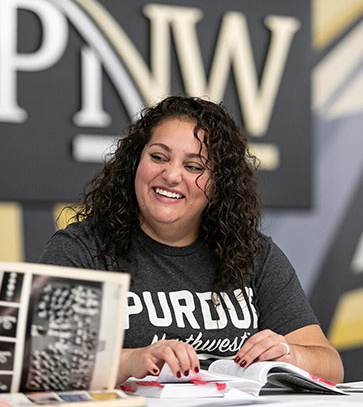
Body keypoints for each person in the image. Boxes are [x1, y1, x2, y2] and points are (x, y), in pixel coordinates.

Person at [40, 96, 344, 384]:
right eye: (158, 157)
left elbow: (331, 366)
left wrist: (290, 355)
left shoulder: (253, 254)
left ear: (219, 184)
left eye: (194, 166)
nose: (171, 175)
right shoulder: (82, 250)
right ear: (135, 162)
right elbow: (43, 365)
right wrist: (132, 360)